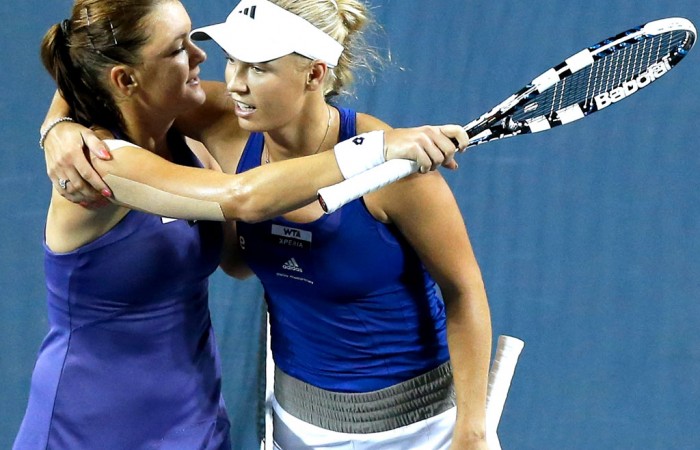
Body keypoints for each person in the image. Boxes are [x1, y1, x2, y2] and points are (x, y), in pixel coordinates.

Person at [19, 0, 467, 449]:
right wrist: (377, 148)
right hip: (93, 424)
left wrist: (55, 121)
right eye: (178, 49)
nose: (203, 59)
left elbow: (238, 259)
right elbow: (243, 199)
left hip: (193, 416)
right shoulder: (97, 163)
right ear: (127, 78)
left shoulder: (183, 129)